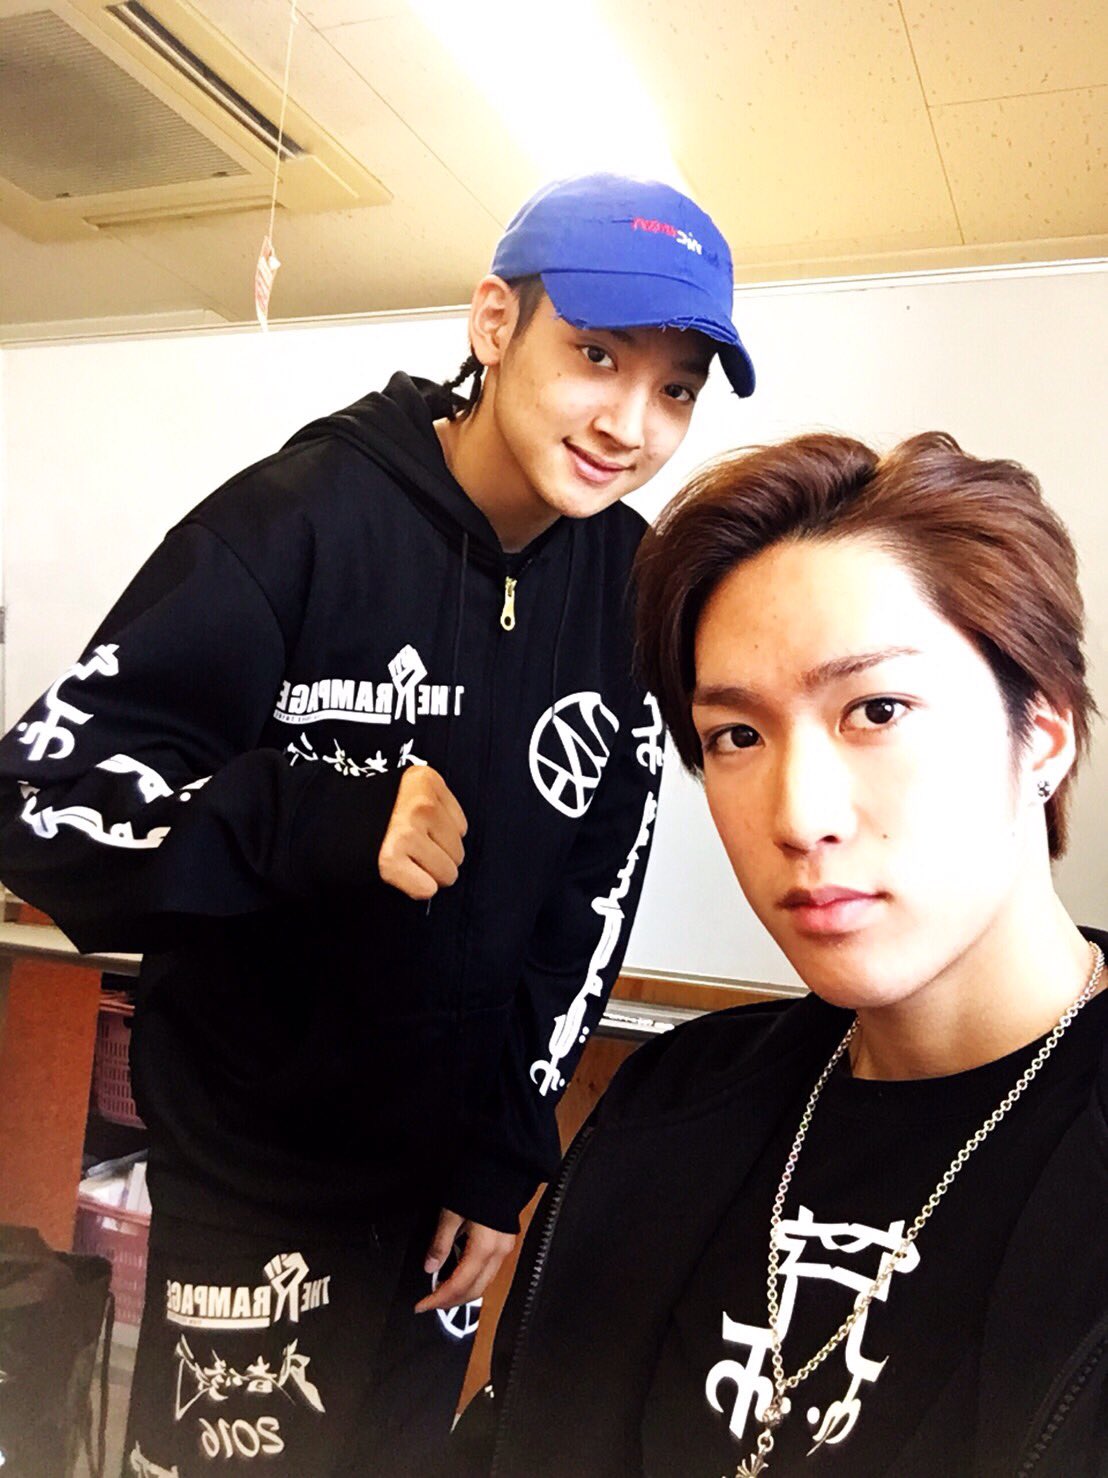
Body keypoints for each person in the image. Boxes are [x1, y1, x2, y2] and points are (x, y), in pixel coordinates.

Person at [0, 173, 756, 1476]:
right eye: (595, 355)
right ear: (494, 323)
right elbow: (36, 803)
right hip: (252, 1185)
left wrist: (504, 1157)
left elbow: (589, 899)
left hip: (444, 1209)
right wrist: (309, 814)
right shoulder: (296, 518)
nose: (630, 424)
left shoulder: (633, 591)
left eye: (676, 388)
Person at [457, 431, 1108, 1477]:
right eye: (737, 736)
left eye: (876, 710)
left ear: (1043, 733)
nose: (798, 818)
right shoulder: (668, 1108)